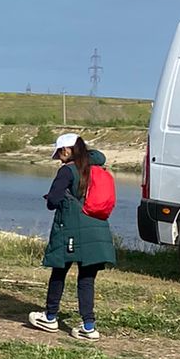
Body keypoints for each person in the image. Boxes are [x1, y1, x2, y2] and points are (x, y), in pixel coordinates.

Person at [29, 134, 115, 339]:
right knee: (87, 279)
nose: (59, 158)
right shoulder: (99, 169)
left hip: (71, 229)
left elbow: (53, 202)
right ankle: (89, 327)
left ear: (67, 150)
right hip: (98, 228)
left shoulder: (67, 171)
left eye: (59, 153)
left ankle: (50, 317)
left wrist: (53, 198)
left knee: (59, 271)